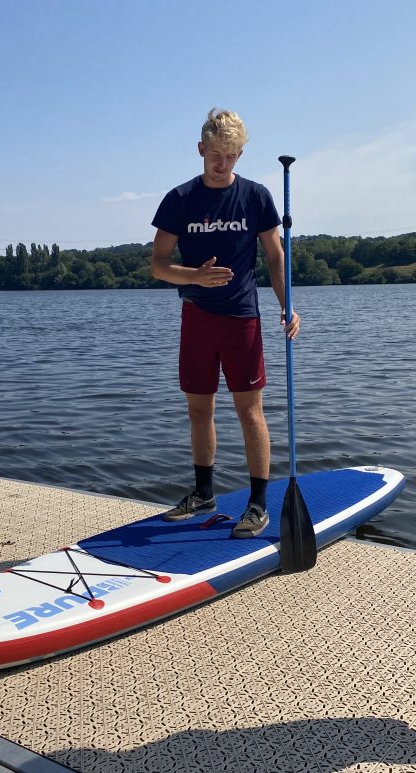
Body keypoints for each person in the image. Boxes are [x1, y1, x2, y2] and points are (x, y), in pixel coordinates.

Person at [150, 108, 300, 537]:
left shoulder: (256, 197)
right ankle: (203, 493)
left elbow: (275, 256)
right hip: (197, 317)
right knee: (199, 409)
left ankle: (257, 504)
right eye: (215, 154)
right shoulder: (179, 200)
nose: (222, 163)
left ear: (240, 155)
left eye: (231, 155)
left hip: (241, 319)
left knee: (250, 412)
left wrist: (287, 305)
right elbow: (158, 266)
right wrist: (193, 276)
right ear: (201, 150)